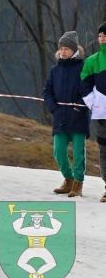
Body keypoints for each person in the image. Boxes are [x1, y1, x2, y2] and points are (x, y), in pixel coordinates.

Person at [43, 31, 89, 197]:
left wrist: (81, 106)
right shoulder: (55, 70)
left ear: (74, 50)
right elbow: (47, 92)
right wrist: (53, 108)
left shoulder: (83, 67)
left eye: (66, 48)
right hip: (60, 117)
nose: (63, 51)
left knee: (78, 153)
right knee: (59, 151)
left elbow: (88, 89)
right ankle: (68, 179)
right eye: (61, 48)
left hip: (78, 117)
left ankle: (78, 183)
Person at [80, 20, 106, 203]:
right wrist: (92, 102)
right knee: (104, 152)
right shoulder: (92, 61)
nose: (102, 39)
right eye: (100, 36)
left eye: (105, 35)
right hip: (101, 116)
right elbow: (84, 83)